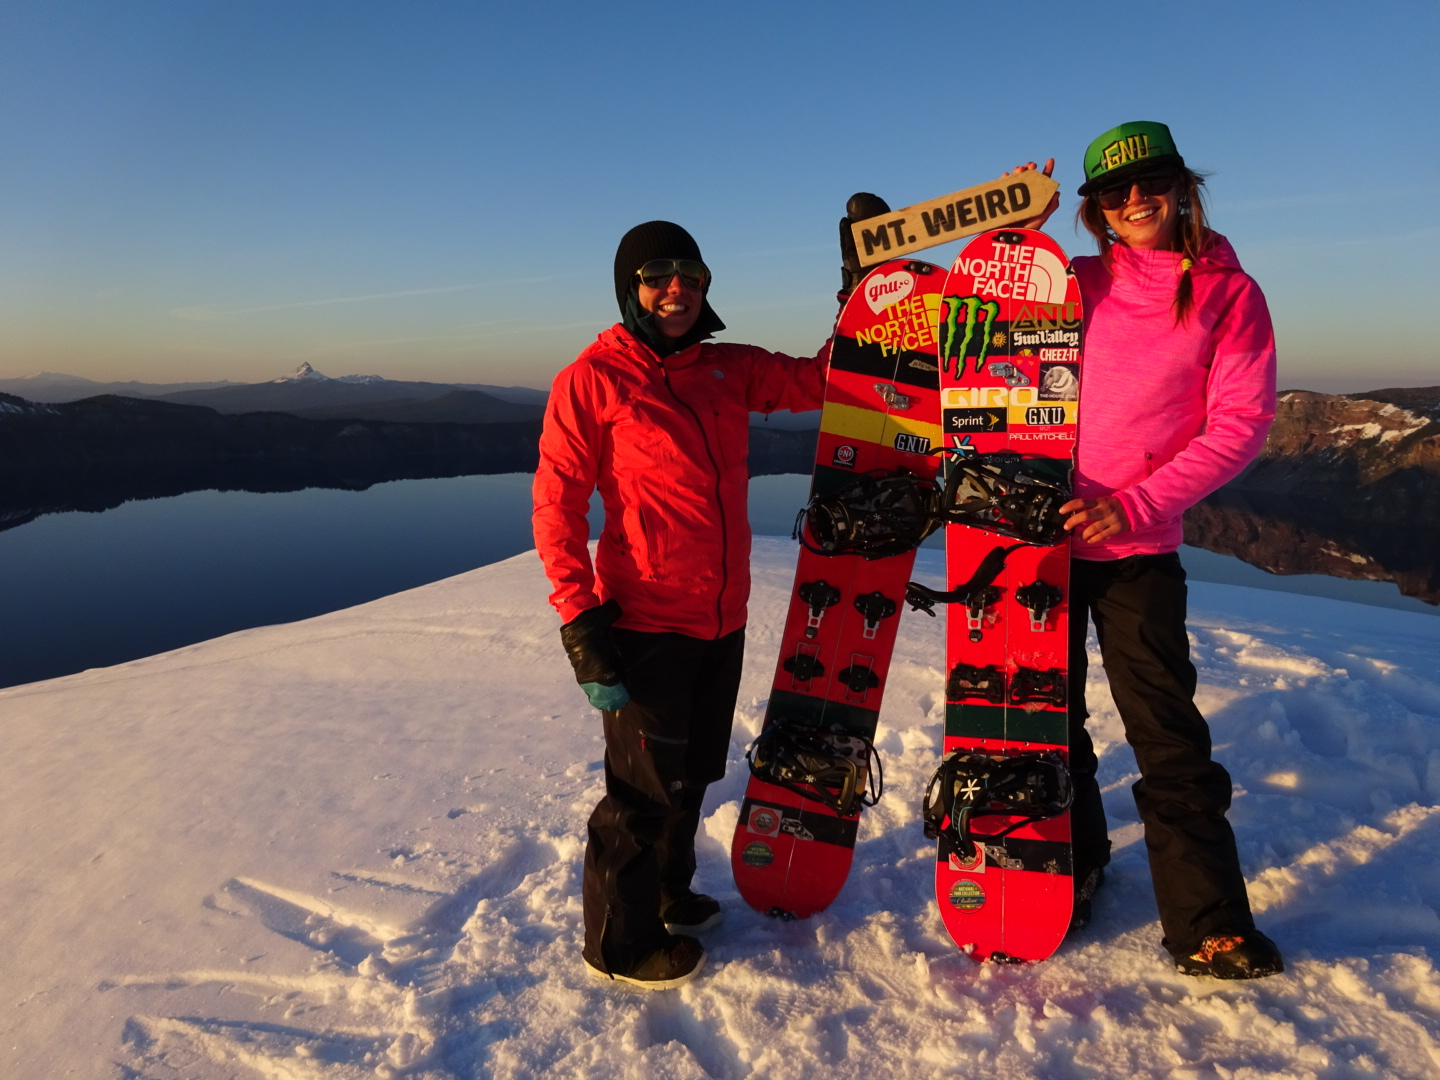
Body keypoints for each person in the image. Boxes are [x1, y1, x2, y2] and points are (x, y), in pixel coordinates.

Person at [533, 220, 830, 989]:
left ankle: (669, 891)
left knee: (693, 772)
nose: (676, 289)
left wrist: (861, 294)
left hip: (721, 617)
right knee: (639, 794)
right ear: (629, 288)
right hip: (644, 621)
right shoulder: (593, 379)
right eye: (657, 275)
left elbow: (819, 381)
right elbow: (556, 506)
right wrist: (580, 619)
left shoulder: (726, 368)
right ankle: (620, 944)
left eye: (690, 276)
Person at [1023, 121, 1283, 979]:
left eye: (1151, 182)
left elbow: (1238, 425)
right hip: (1041, 541)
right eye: (1114, 192)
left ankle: (1207, 920)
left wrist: (1132, 505)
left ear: (1181, 186)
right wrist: (1015, 232)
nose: (1135, 200)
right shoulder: (1069, 282)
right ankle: (1077, 861)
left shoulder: (1227, 294)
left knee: (1165, 732)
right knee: (1045, 721)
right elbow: (978, 325)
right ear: (1094, 209)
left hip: (1136, 547)